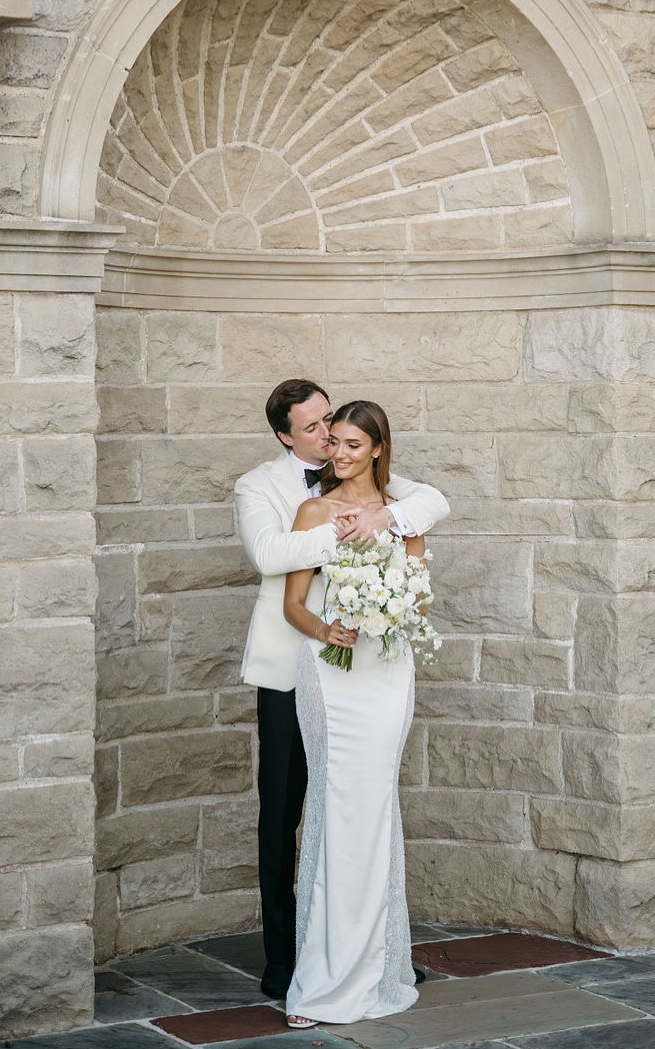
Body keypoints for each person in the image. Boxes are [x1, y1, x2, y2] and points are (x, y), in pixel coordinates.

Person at [235, 379, 449, 999]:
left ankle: (379, 953)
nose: (329, 437)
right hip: (296, 666)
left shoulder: (388, 487)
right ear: (285, 435)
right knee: (284, 811)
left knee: (366, 804)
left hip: (376, 665)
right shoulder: (261, 487)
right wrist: (348, 527)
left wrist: (387, 517)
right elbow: (269, 555)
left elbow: (429, 505)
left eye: (334, 423)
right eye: (315, 428)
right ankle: (286, 957)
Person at [282, 400, 424, 1028]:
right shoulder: (314, 511)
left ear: (377, 450)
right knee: (336, 805)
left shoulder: (403, 516)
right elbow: (294, 605)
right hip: (332, 677)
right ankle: (320, 980)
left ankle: (375, 968)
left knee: (375, 808)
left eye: (351, 446)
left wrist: (389, 612)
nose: (337, 455)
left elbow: (419, 596)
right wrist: (330, 627)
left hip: (387, 676)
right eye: (332, 443)